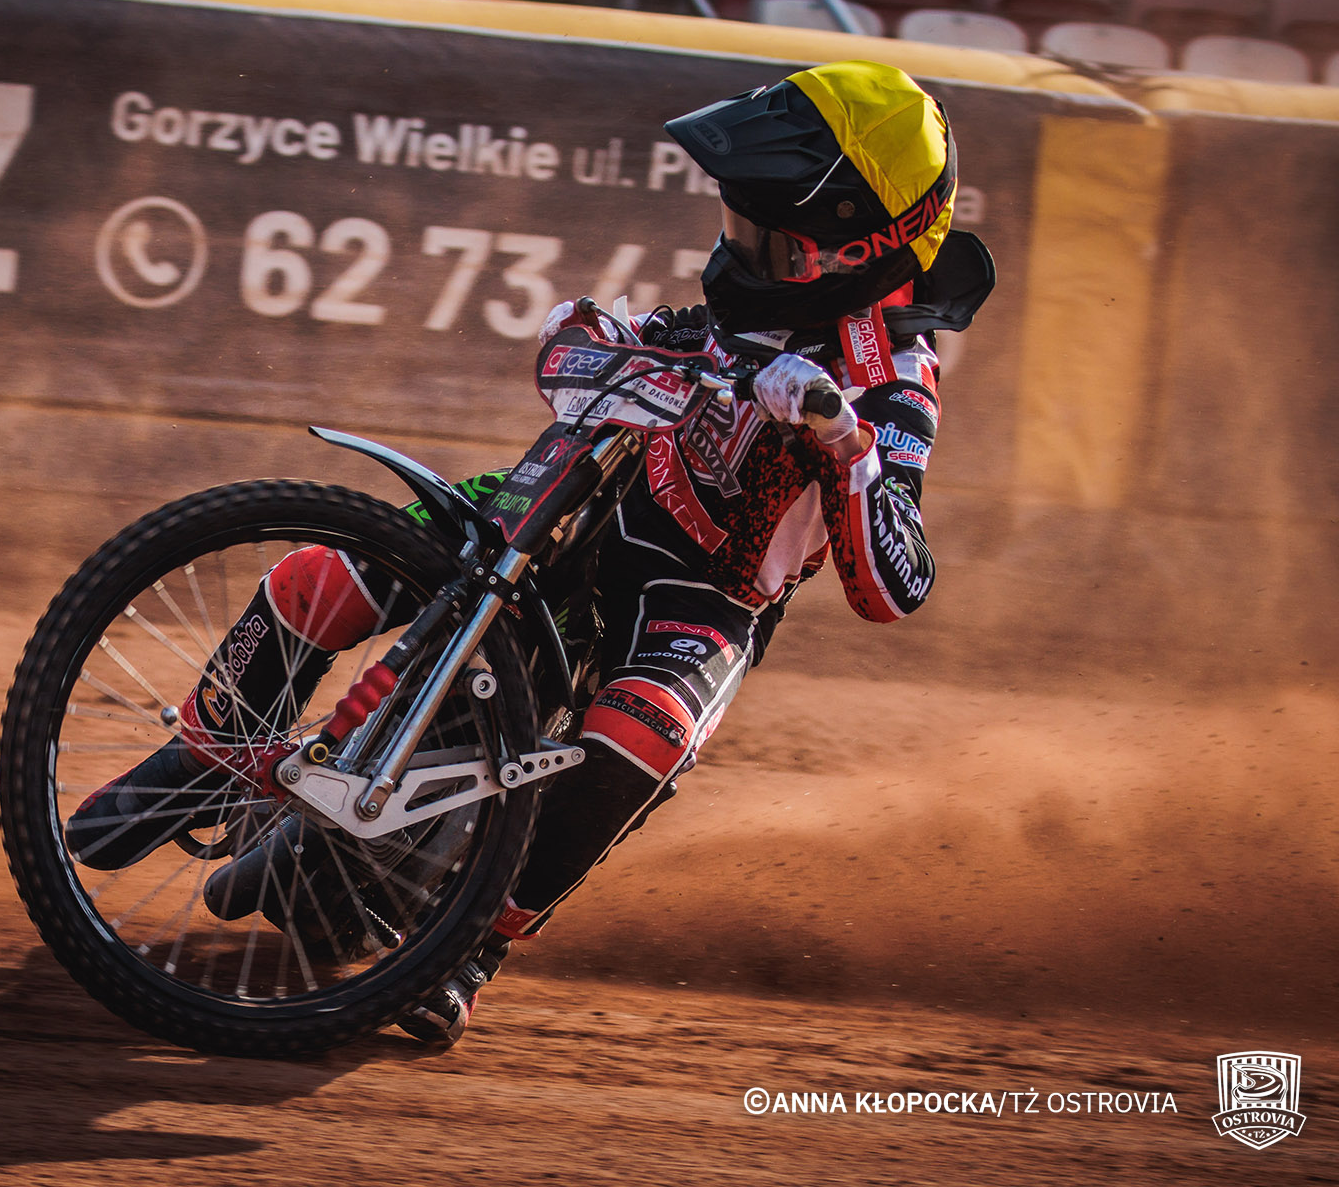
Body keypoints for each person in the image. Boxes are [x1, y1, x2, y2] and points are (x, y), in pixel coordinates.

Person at [66, 60, 994, 1048]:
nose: (736, 248)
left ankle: (477, 948)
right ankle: (204, 749)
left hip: (705, 592)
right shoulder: (755, 294)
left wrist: (843, 439)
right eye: (736, 223)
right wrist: (596, 335)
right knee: (326, 572)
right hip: (588, 506)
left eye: (764, 236)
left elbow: (895, 586)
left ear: (849, 248)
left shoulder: (896, 379)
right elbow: (604, 344)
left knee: (646, 735)